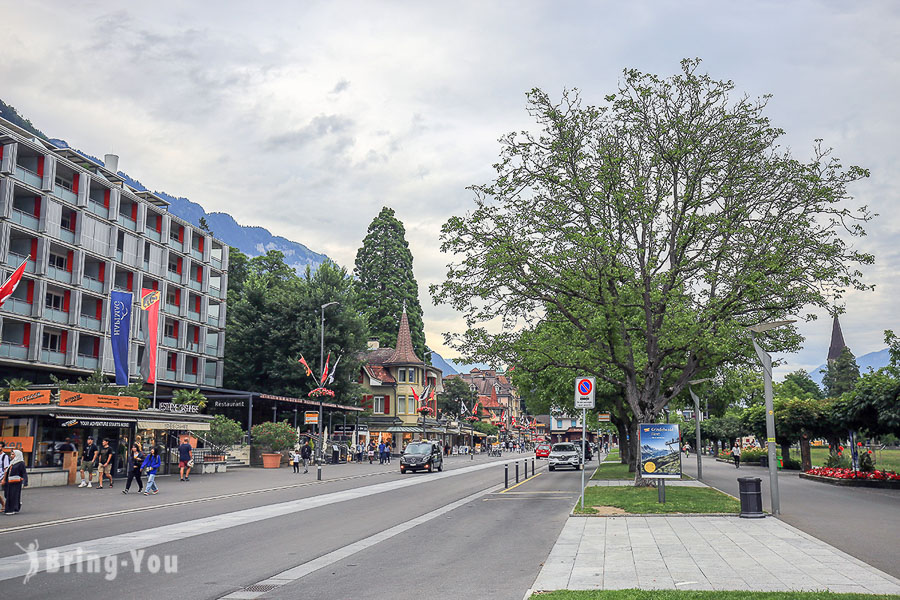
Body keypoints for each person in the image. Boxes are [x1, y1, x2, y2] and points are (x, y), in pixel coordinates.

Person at [2, 450, 27, 514]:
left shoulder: (21, 463)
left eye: (13, 454)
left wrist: (25, 482)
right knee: (7, 494)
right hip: (9, 481)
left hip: (16, 482)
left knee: (13, 495)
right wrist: (4, 480)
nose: (11, 456)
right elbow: (7, 472)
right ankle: (15, 506)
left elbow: (24, 473)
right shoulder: (12, 462)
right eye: (11, 454)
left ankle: (11, 509)